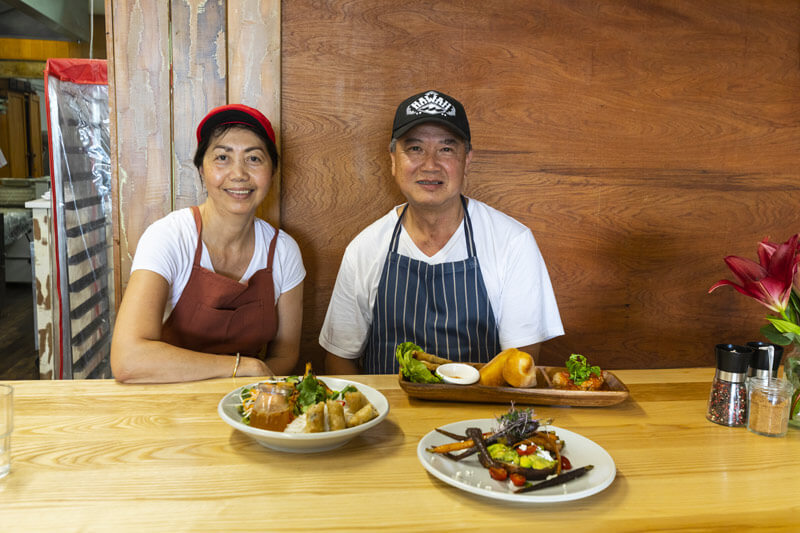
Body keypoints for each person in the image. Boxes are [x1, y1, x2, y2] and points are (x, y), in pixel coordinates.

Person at [320, 90, 563, 374]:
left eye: (446, 149)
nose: (430, 164)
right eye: (415, 149)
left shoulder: (511, 242)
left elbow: (519, 364)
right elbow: (339, 359)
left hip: (479, 415)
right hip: (392, 414)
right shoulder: (366, 248)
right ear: (393, 160)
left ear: (467, 159)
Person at [111, 104, 305, 383]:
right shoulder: (169, 237)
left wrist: (247, 392)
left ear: (272, 172)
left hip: (245, 404)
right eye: (223, 157)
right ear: (201, 170)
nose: (239, 173)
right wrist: (244, 367)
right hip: (164, 404)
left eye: (254, 158)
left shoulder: (284, 251)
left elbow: (286, 354)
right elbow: (128, 360)